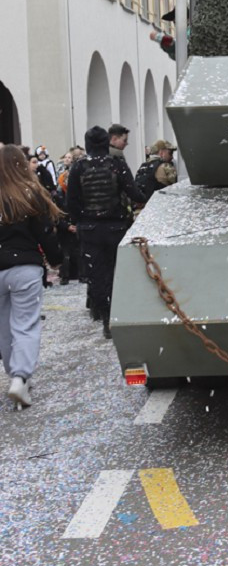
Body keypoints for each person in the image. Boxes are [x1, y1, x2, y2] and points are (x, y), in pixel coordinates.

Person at [66, 127, 147, 338]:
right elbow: (133, 191)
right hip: (115, 227)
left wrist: (81, 220)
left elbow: (71, 201)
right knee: (114, 272)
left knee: (96, 274)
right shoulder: (116, 164)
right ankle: (115, 313)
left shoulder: (78, 167)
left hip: (89, 228)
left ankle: (104, 314)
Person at [0, 145, 63, 407]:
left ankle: (14, 373)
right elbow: (44, 232)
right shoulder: (29, 194)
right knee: (25, 324)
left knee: (4, 327)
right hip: (25, 265)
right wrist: (56, 259)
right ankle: (20, 376)